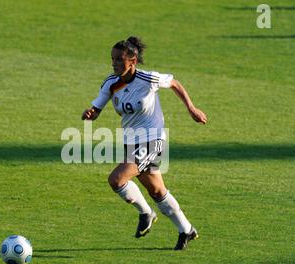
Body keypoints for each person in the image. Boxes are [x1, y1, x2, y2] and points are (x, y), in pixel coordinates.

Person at [82, 36, 207, 250]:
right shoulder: (111, 84)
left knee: (116, 179)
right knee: (158, 192)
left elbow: (174, 83)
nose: (114, 63)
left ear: (133, 60)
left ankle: (146, 213)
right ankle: (186, 230)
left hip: (152, 140)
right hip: (131, 143)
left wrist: (192, 109)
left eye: (119, 59)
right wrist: (91, 113)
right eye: (112, 59)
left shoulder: (148, 79)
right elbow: (97, 110)